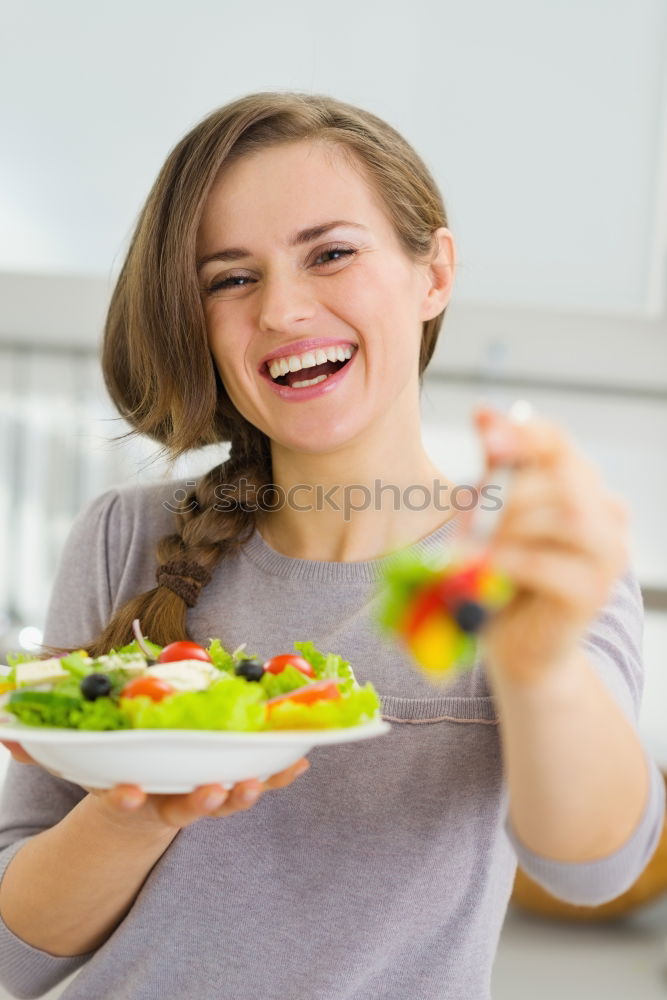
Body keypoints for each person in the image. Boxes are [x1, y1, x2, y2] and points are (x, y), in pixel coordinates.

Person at [0, 90, 664, 1000]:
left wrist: (538, 667)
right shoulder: (128, 537)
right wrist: (134, 815)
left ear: (432, 274)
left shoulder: (511, 560)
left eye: (332, 254)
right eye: (230, 278)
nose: (281, 310)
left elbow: (594, 866)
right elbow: (15, 955)